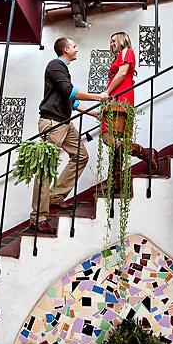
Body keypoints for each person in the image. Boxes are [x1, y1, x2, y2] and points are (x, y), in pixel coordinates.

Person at [32, 37, 108, 234]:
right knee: (46, 168)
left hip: (64, 122)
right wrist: (97, 97)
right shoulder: (55, 66)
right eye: (74, 46)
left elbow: (69, 99)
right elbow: (70, 91)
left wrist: (91, 112)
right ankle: (38, 217)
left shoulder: (62, 69)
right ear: (66, 49)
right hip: (53, 123)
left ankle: (56, 197)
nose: (76, 49)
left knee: (81, 156)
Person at [100, 31, 161, 194]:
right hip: (114, 100)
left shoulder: (127, 52)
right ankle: (116, 181)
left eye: (114, 40)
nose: (111, 43)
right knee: (113, 141)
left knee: (111, 138)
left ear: (122, 40)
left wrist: (107, 93)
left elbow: (121, 74)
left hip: (120, 100)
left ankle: (146, 154)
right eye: (110, 41)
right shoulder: (118, 56)